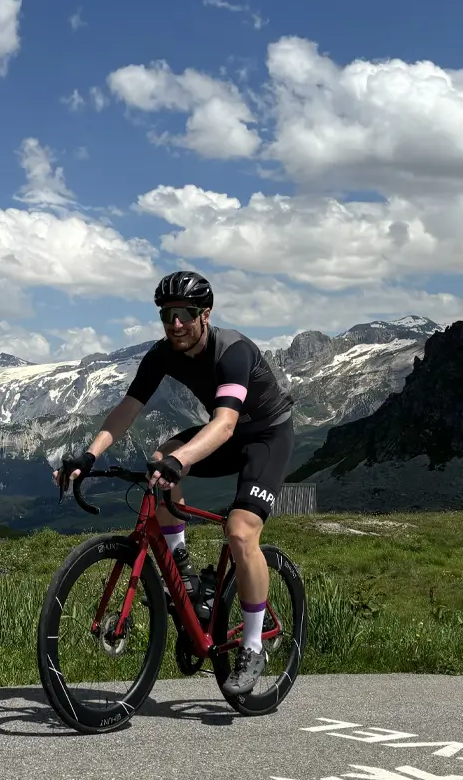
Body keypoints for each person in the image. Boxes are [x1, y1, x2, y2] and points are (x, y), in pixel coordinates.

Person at [52, 270, 295, 696]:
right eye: (167, 315)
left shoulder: (232, 351)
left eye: (184, 314)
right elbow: (128, 409)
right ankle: (182, 573)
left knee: (239, 532)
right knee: (159, 463)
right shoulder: (162, 354)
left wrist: (180, 460)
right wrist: (90, 455)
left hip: (265, 436)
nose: (175, 324)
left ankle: (254, 645)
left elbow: (223, 424)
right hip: (229, 433)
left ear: (205, 314)